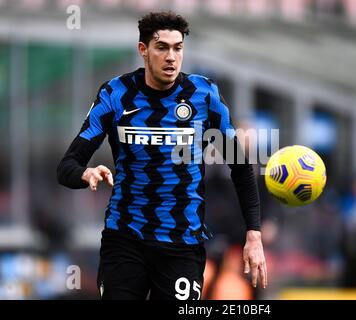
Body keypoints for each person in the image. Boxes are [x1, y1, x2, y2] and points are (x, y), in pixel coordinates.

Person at [57, 11, 267, 300]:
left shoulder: (204, 95)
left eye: (177, 48)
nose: (171, 56)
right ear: (143, 50)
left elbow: (241, 167)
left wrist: (253, 234)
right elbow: (67, 165)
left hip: (182, 243)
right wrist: (85, 173)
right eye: (162, 47)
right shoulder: (115, 94)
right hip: (125, 237)